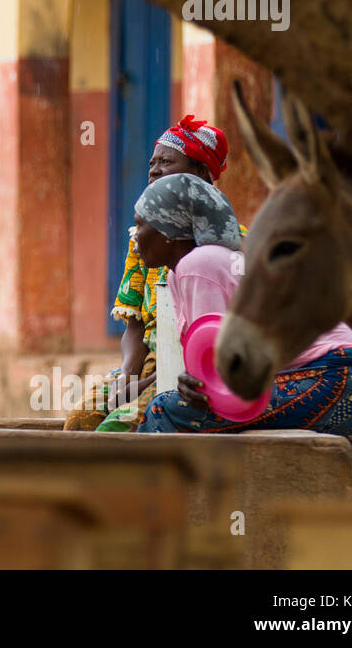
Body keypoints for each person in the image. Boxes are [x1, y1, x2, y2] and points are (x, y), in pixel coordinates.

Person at [134, 173, 352, 455]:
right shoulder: (184, 273)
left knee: (166, 411)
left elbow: (217, 382)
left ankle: (143, 498)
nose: (135, 235)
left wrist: (193, 386)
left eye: (141, 225)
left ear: (169, 232)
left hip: (347, 380)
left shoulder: (200, 263)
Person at [65, 115, 238, 432]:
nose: (155, 170)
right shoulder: (143, 239)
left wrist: (145, 385)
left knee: (119, 429)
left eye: (167, 162)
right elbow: (135, 324)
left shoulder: (226, 245)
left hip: (192, 369)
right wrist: (128, 377)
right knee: (80, 421)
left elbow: (210, 343)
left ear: (200, 174)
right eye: (153, 162)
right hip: (147, 363)